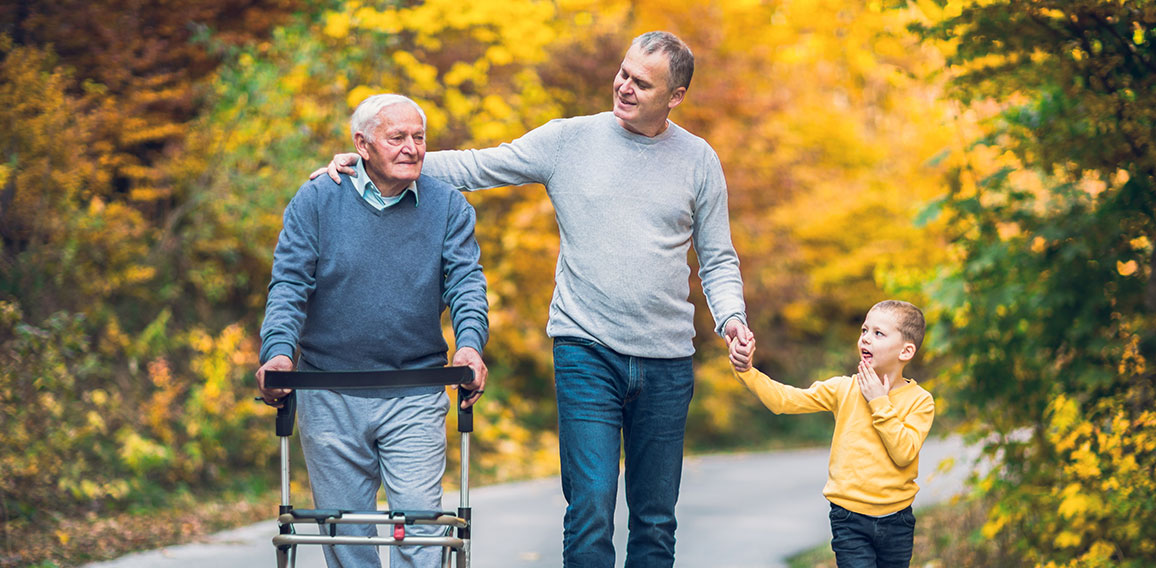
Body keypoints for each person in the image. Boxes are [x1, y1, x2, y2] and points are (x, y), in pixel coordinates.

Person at [316, 31, 752, 568]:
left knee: (656, 518)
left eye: (643, 83)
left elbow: (717, 257)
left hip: (668, 359)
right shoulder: (569, 140)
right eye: (623, 72)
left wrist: (731, 318)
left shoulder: (698, 160)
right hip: (585, 347)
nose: (624, 86)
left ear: (676, 95)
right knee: (590, 507)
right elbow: (479, 166)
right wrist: (378, 161)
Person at [256, 94, 489, 568]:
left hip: (416, 391)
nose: (412, 148)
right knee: (348, 539)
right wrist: (278, 352)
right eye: (397, 137)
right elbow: (290, 283)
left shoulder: (448, 207)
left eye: (419, 138)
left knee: (420, 537)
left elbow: (466, 284)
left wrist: (469, 345)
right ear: (362, 145)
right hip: (329, 391)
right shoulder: (318, 200)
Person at [728, 300, 935, 568]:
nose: (865, 339)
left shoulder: (920, 401)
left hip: (897, 521)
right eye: (864, 330)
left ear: (906, 351)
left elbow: (904, 453)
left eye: (878, 333)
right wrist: (747, 372)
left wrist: (878, 402)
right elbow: (785, 400)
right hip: (849, 519)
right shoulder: (843, 388)